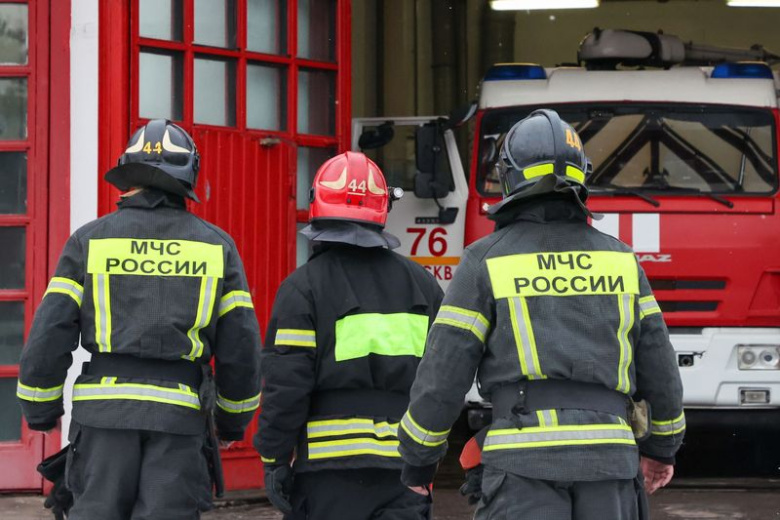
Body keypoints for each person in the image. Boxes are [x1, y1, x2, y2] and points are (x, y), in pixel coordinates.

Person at [398, 109, 685, 519]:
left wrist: (419, 459)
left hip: (522, 469)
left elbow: (444, 371)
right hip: (610, 466)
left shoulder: (485, 260)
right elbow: (660, 364)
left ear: (509, 176)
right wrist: (662, 447)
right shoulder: (622, 260)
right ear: (582, 175)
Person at [17, 119, 262, 519]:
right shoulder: (216, 246)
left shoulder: (89, 240)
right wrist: (233, 421)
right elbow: (241, 347)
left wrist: (40, 409)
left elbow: (51, 331)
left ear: (128, 174)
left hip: (102, 418)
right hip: (179, 422)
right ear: (188, 177)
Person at [255, 152, 443, 520]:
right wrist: (429, 457)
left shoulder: (302, 288)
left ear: (317, 203)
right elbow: (443, 382)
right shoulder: (423, 285)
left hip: (328, 475)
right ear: (383, 207)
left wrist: (274, 457)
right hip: (404, 469)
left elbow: (286, 387)